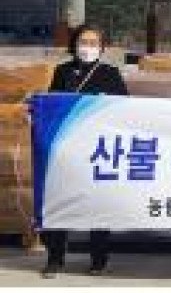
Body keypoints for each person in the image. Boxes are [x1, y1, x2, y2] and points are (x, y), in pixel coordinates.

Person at [40, 23, 128, 279]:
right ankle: (55, 257)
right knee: (59, 200)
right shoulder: (63, 71)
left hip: (98, 148)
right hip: (67, 147)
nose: (87, 47)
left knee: (98, 203)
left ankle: (98, 259)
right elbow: (52, 103)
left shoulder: (110, 73)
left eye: (93, 43)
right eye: (83, 42)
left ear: (101, 47)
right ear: (74, 44)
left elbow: (124, 106)